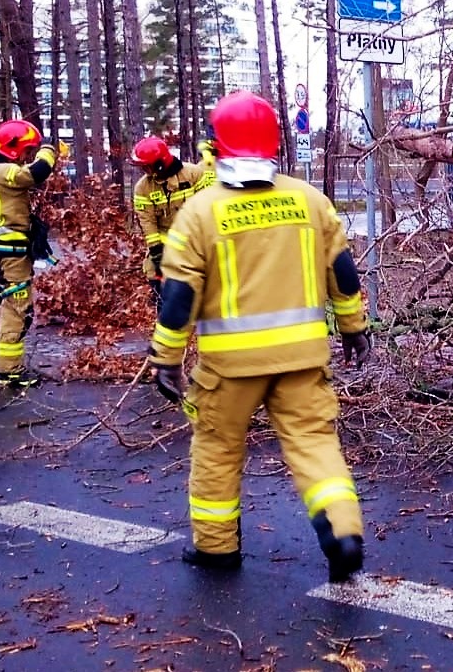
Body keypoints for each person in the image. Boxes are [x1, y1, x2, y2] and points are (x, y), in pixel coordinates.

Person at [147, 90, 372, 580]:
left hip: (229, 369)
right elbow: (343, 271)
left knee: (217, 449)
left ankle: (216, 549)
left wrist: (165, 358)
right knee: (315, 444)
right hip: (302, 360)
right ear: (275, 141)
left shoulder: (199, 213)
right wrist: (354, 328)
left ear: (217, 144)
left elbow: (180, 295)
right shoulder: (310, 201)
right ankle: (343, 532)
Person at [0, 119, 64, 389]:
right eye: (27, 150)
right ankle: (10, 372)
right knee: (17, 308)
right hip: (12, 251)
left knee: (19, 308)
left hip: (14, 250)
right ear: (14, 147)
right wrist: (48, 151)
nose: (28, 156)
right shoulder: (2, 170)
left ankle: (11, 368)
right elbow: (35, 174)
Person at [130, 136, 215, 304]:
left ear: (159, 164)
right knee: (154, 275)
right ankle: (162, 306)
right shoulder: (143, 188)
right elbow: (147, 221)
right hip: (164, 243)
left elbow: (207, 207)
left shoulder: (193, 174)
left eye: (146, 166)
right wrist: (156, 252)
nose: (144, 170)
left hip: (195, 240)